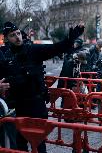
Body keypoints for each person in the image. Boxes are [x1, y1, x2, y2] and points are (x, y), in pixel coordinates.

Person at [0, 21, 84, 153]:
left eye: (18, 33)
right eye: (12, 35)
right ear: (6, 38)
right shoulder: (4, 55)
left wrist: (70, 37)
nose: (17, 37)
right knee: (20, 145)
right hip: (16, 107)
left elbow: (56, 48)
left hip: (36, 105)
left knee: (39, 144)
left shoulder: (33, 50)